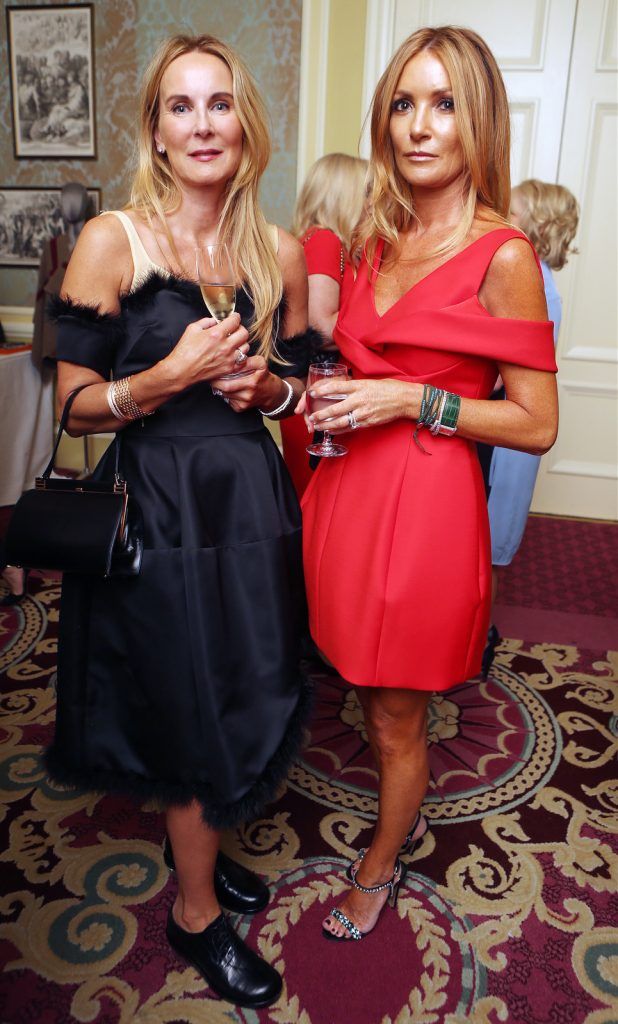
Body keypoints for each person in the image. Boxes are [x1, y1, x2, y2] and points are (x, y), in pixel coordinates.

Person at [45, 34, 311, 1008]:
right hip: (160, 514)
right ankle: (196, 912)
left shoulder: (279, 253)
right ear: (154, 132)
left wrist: (264, 389)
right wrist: (162, 378)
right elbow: (73, 406)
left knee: (246, 682)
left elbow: (307, 398)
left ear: (247, 127)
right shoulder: (114, 239)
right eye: (180, 106)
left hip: (251, 510)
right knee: (190, 697)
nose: (202, 124)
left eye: (220, 103)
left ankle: (207, 863)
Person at [300, 26, 558, 942]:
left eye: (444, 104)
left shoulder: (506, 256)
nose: (420, 126)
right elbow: (353, 353)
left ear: (477, 119)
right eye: (404, 103)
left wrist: (416, 400)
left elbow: (536, 422)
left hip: (428, 509)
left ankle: (380, 859)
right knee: (348, 673)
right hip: (349, 492)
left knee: (396, 715)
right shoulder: (377, 234)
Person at [481, 179, 579, 676]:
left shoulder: (532, 284)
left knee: (490, 543)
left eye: (512, 211)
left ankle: (478, 637)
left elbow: (509, 374)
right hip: (505, 430)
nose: (502, 216)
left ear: (535, 227)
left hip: (510, 434)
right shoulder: (531, 276)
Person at [282, 153, 368, 497]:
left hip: (320, 394)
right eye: (367, 192)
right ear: (344, 196)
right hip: (319, 395)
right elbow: (319, 324)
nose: (374, 202)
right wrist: (386, 329)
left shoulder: (316, 240)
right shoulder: (325, 241)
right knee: (318, 502)